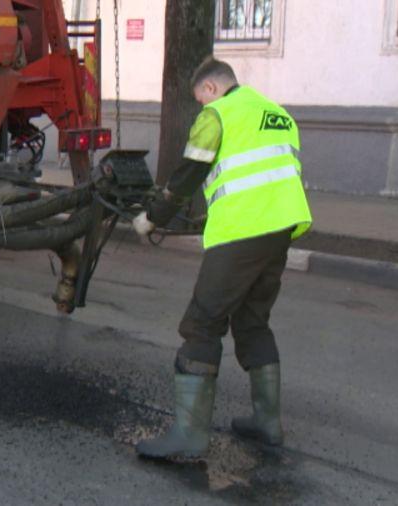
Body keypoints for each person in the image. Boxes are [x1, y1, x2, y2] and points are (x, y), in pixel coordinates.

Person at [132, 57, 312, 461]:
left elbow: (190, 173)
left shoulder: (217, 114)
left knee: (202, 322)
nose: (200, 107)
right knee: (251, 319)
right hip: (282, 227)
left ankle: (189, 436)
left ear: (211, 89)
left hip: (242, 231)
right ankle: (268, 423)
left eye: (200, 99)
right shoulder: (276, 113)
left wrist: (152, 218)